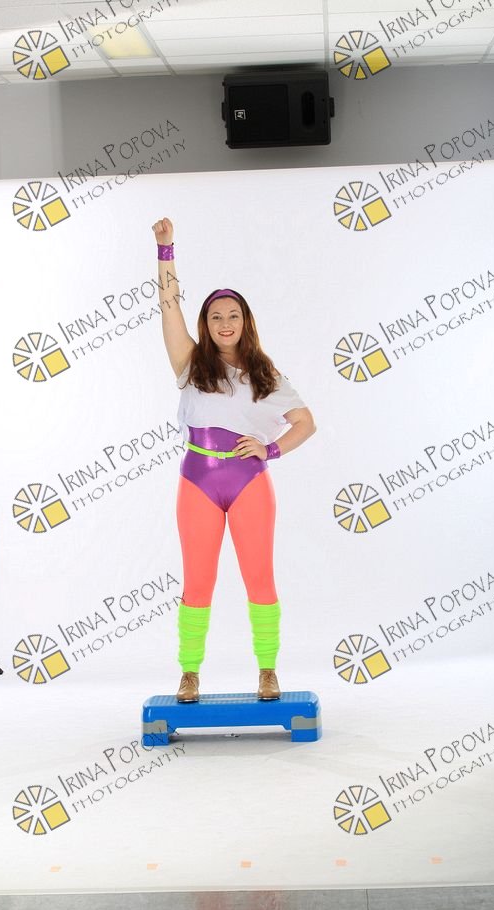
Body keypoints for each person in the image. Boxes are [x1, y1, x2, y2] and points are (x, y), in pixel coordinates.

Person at [152, 217, 316, 703]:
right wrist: (165, 250)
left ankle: (268, 670)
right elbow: (169, 306)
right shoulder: (190, 363)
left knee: (259, 578)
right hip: (197, 481)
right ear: (205, 325)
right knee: (197, 582)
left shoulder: (266, 372)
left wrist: (270, 449)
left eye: (233, 316)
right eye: (216, 317)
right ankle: (189, 672)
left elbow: (305, 421)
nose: (225, 324)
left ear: (246, 322)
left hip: (250, 484)